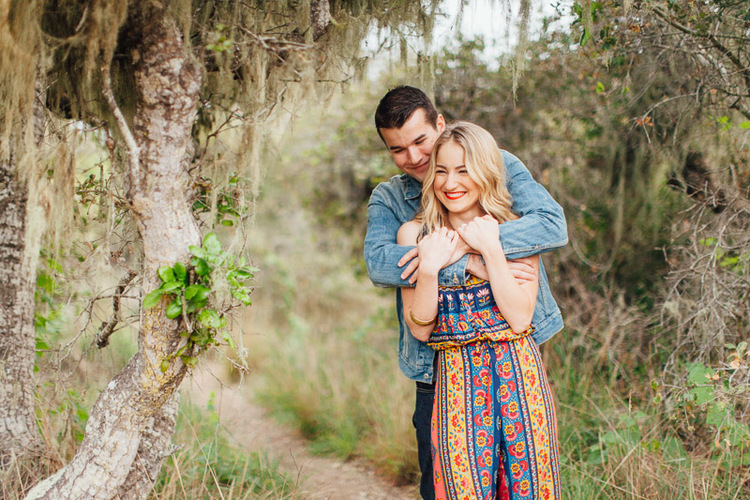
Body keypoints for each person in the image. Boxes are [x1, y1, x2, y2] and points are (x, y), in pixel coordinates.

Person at [364, 86, 566, 500]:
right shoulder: (392, 201)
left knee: (527, 486)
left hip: (514, 368)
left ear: (439, 125)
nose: (415, 158)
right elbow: (382, 265)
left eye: (420, 141)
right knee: (442, 487)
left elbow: (549, 227)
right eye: (398, 150)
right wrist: (455, 261)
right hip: (439, 373)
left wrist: (479, 248)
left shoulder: (498, 165)